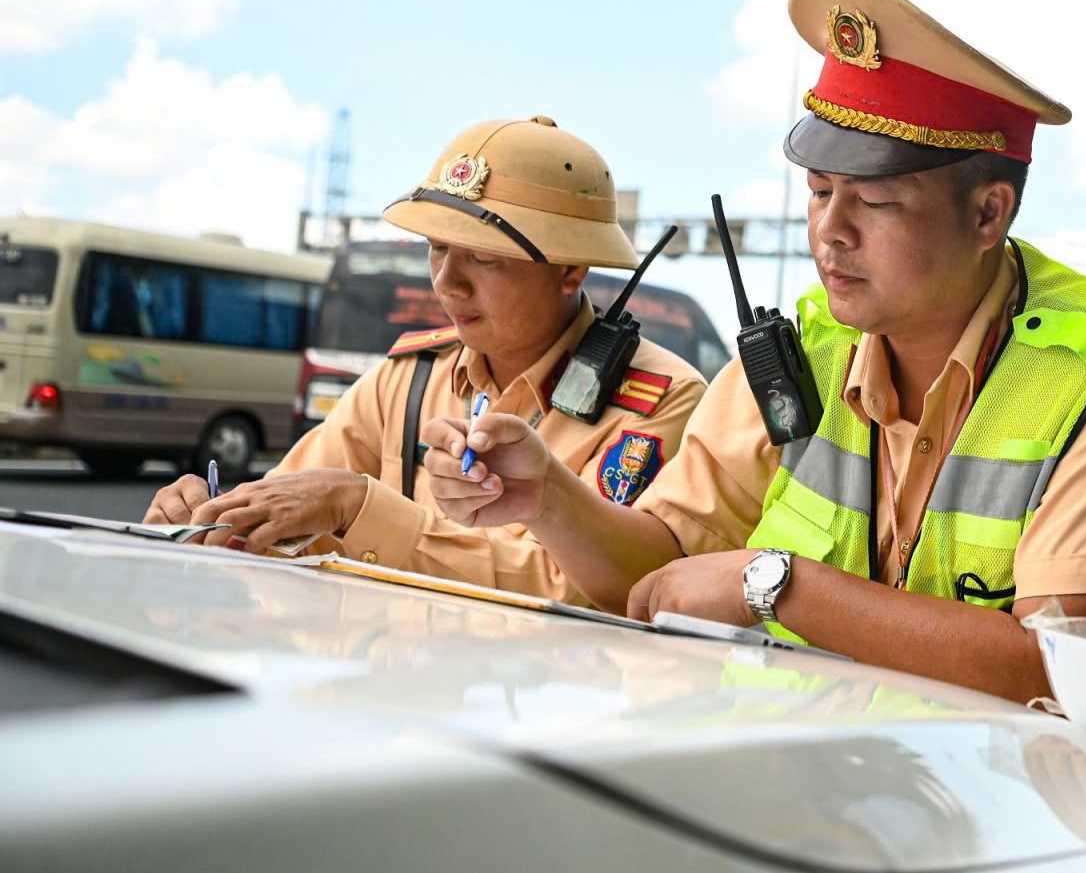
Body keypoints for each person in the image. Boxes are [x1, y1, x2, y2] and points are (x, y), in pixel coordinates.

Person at [422, 0, 1086, 701]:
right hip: (846, 794)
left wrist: (776, 585)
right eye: (817, 191)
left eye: (874, 203)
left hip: (1062, 819)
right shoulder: (804, 343)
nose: (829, 232)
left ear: (989, 213)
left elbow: (1070, 671)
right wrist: (548, 500)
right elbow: (663, 567)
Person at [143, 117, 706, 603]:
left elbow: (583, 590)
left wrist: (359, 506)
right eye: (436, 248)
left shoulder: (657, 400)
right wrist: (211, 517)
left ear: (571, 270)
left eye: (484, 257)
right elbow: (287, 514)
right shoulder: (404, 379)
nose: (447, 283)